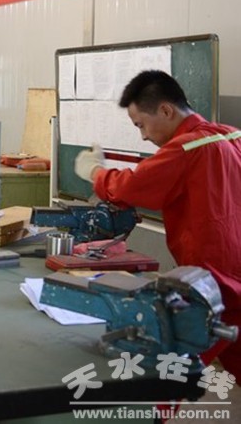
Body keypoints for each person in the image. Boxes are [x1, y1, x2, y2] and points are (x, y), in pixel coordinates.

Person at [74, 70, 241, 378]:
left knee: (169, 368)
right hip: (236, 275)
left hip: (212, 282)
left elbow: (130, 187)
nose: (143, 137)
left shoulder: (187, 148)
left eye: (141, 125)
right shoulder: (232, 135)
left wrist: (95, 171)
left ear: (166, 110)